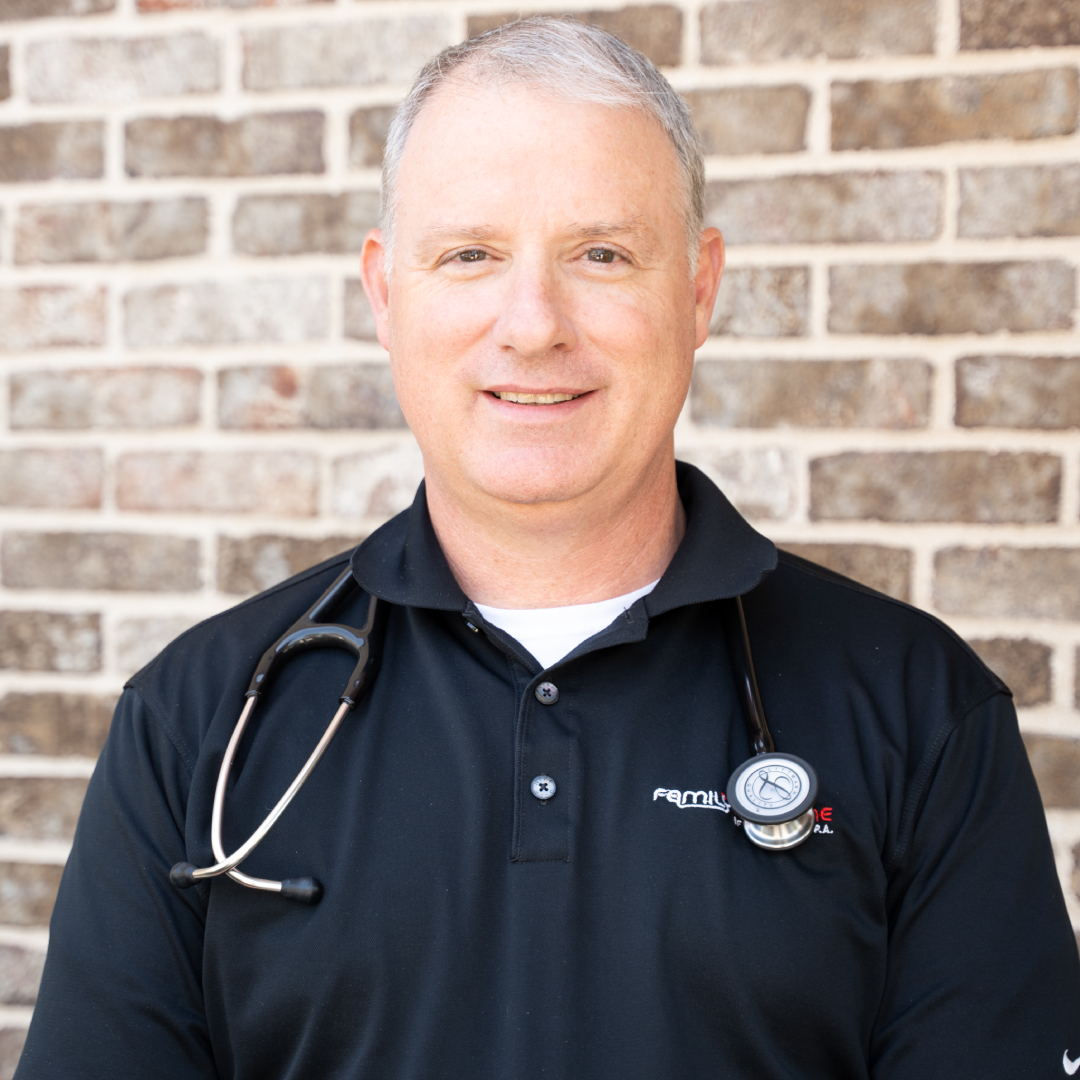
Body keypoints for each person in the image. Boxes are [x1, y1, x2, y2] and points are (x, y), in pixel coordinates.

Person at [15, 17, 1080, 1080]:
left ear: (699, 289)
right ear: (386, 293)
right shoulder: (198, 720)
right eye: (470, 254)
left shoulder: (920, 714)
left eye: (601, 254)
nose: (533, 324)